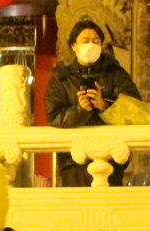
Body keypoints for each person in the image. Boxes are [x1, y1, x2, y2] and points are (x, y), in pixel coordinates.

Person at [45, 20, 142, 187]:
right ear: (74, 45)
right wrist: (80, 109)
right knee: (77, 209)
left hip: (111, 156)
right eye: (85, 40)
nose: (91, 44)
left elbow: (136, 109)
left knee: (110, 208)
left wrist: (105, 105)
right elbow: (54, 117)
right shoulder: (61, 78)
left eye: (96, 40)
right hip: (73, 160)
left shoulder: (115, 73)